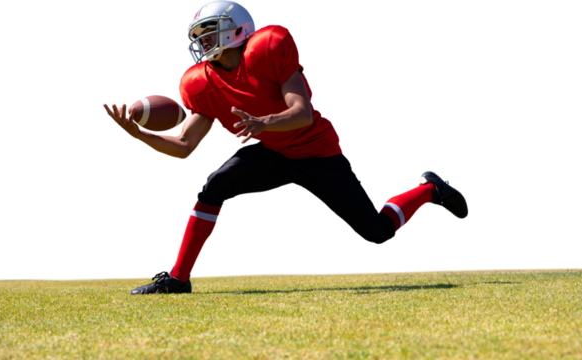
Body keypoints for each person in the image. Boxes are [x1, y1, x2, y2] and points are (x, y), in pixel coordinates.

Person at [100, 0, 469, 295]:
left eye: (210, 33)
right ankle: (177, 279)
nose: (203, 43)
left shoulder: (268, 47)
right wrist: (138, 135)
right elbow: (184, 145)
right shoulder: (199, 83)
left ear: (238, 29)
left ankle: (429, 188)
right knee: (212, 188)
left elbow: (302, 113)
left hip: (315, 150)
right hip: (270, 151)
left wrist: (264, 123)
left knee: (377, 231)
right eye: (198, 36)